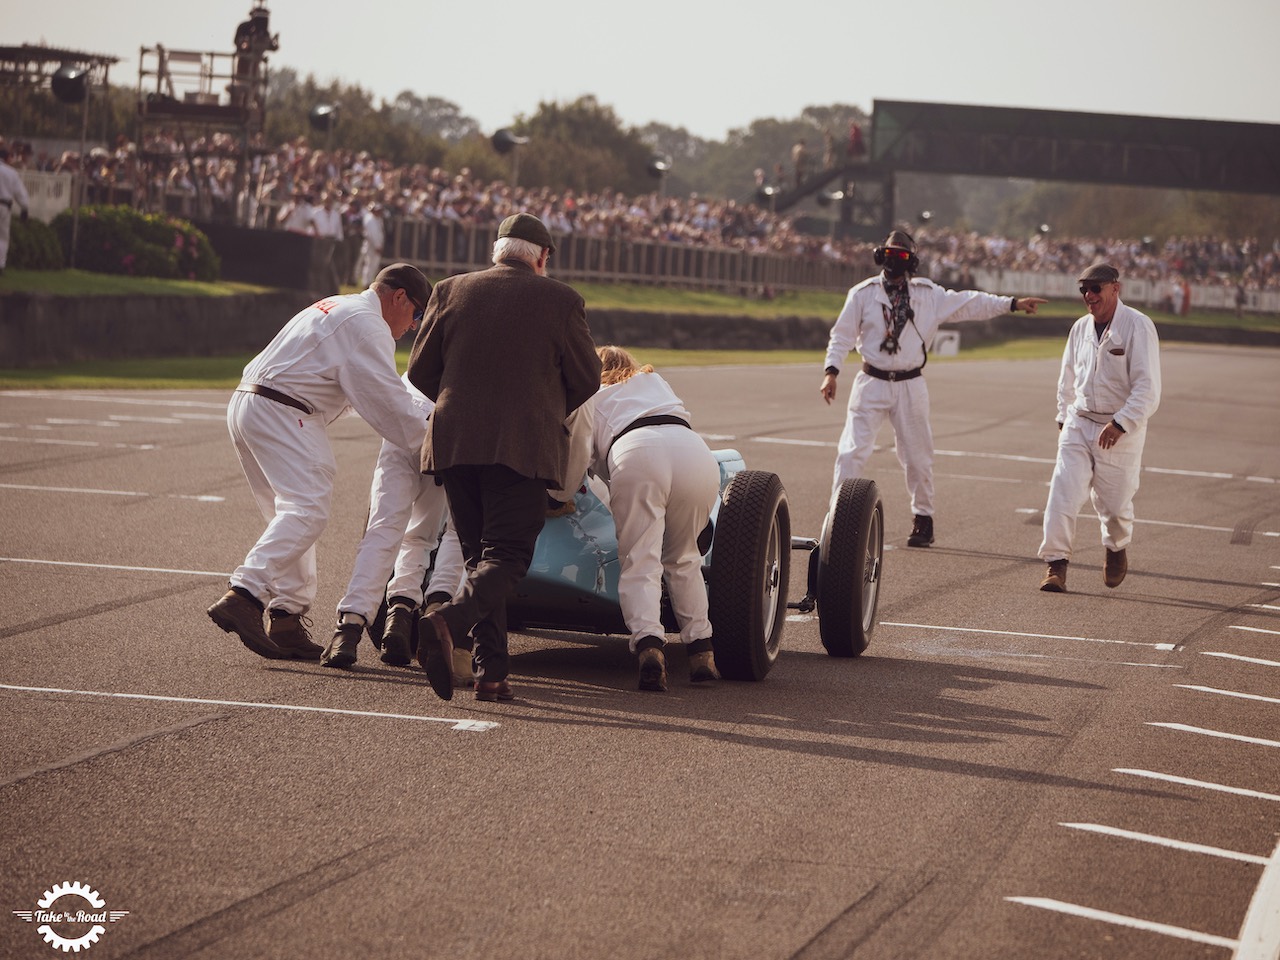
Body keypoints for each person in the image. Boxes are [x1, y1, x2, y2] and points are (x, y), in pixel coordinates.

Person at [407, 213, 600, 703]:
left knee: (481, 560)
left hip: (454, 441)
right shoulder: (562, 300)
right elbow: (587, 378)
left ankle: (492, 675)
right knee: (508, 558)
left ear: (497, 250)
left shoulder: (450, 290)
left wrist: (463, 405)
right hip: (522, 446)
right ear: (543, 257)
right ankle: (446, 621)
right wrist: (542, 406)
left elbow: (420, 371)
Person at [206, 263, 430, 660]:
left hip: (251, 402)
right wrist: (436, 439)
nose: (413, 326)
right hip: (284, 410)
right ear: (398, 297)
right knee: (307, 509)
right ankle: (244, 594)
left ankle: (287, 616)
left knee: (289, 512)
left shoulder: (338, 306)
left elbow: (377, 391)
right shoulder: (367, 324)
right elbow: (388, 403)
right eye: (415, 314)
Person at [820, 229, 1047, 546]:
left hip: (911, 385)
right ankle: (838, 518)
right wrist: (832, 372)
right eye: (887, 253)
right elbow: (841, 336)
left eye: (900, 255)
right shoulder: (862, 293)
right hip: (871, 381)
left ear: (911, 261)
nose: (892, 260)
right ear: (878, 255)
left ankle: (923, 517)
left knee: (917, 456)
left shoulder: (929, 295)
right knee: (850, 452)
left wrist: (1012, 303)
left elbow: (971, 302)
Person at [585, 346, 720, 691]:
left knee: (640, 561)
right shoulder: (655, 382)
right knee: (685, 558)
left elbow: (580, 460)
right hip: (694, 452)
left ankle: (649, 646)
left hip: (637, 450)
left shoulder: (592, 396)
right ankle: (701, 651)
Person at [1037, 263, 1161, 592]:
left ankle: (1116, 548)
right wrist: (1064, 419)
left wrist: (1120, 423)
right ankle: (1056, 565)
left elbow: (1147, 389)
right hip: (1079, 421)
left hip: (1120, 428)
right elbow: (1067, 379)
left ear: (1115, 288)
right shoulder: (1079, 328)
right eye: (1083, 290)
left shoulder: (1138, 326)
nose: (1089, 296)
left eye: (1095, 289)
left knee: (1116, 505)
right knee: (1062, 492)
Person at [0, 145, 32, 275]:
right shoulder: (11, 172)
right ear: (7, 158)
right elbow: (20, 193)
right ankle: (0, 265)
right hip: (4, 206)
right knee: (2, 237)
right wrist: (24, 208)